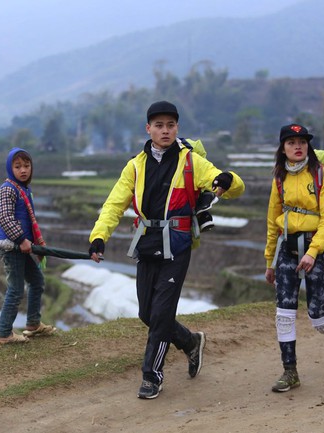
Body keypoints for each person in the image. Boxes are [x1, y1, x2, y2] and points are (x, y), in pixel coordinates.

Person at [88, 101, 245, 399]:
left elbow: (231, 185)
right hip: (147, 242)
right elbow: (113, 205)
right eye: (158, 125)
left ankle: (152, 376)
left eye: (170, 125)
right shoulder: (135, 166)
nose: (165, 130)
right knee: (147, 312)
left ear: (177, 128)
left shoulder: (190, 162)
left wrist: (228, 180)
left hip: (178, 243)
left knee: (161, 313)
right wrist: (99, 237)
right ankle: (190, 342)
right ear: (148, 129)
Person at [264, 123, 324, 393]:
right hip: (287, 248)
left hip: (317, 248)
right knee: (284, 313)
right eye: (291, 142)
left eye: (302, 141)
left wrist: (313, 252)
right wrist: (270, 260)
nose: (298, 146)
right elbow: (272, 222)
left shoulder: (322, 174)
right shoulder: (279, 179)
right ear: (283, 148)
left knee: (318, 317)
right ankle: (289, 371)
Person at [0, 148, 56, 345]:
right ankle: (4, 333)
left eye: (27, 166)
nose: (23, 170)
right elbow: (4, 218)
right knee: (15, 289)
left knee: (37, 281)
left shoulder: (24, 190)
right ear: (10, 168)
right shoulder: (8, 189)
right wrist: (21, 239)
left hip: (22, 246)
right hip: (12, 247)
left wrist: (29, 242)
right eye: (18, 166)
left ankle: (33, 324)